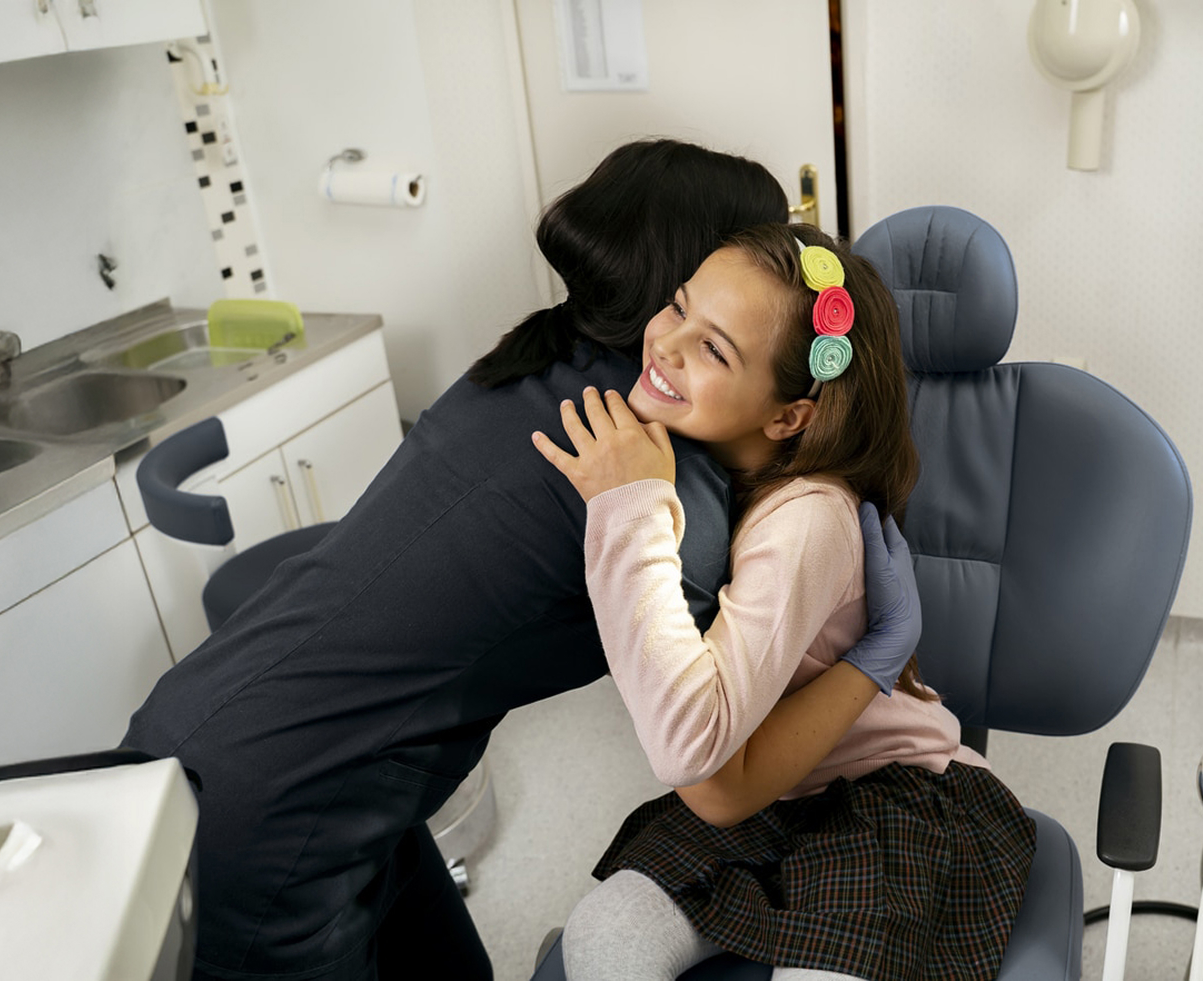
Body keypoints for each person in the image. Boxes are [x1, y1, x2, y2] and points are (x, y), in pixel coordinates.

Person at [121, 141, 919, 981]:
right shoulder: (649, 486)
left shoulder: (531, 359)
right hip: (273, 818)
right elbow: (713, 774)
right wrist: (877, 653)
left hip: (254, 747)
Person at [535, 223, 1038, 981]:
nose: (667, 345)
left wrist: (629, 506)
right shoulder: (709, 461)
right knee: (605, 937)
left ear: (787, 416)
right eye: (678, 307)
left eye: (714, 349)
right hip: (773, 790)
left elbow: (688, 750)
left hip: (890, 790)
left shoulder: (807, 515)